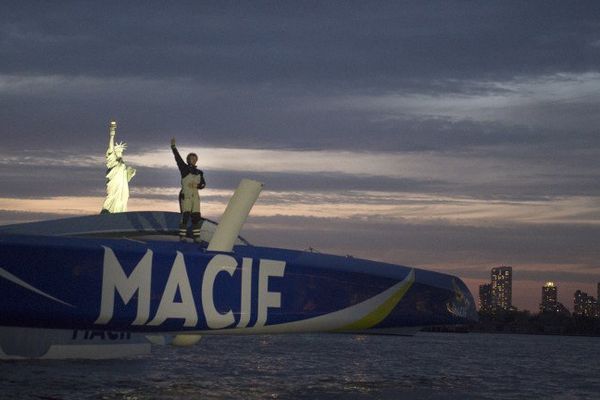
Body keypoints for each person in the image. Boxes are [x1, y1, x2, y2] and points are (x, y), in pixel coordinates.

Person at [170, 137, 206, 242]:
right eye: (192, 158)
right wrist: (173, 147)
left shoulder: (200, 172)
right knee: (185, 215)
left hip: (195, 197)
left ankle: (196, 237)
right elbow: (178, 158)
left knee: (196, 216)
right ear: (188, 160)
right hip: (185, 195)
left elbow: (203, 184)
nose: (194, 160)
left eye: (195, 159)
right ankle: (182, 236)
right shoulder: (184, 169)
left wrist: (197, 186)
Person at [101, 121, 136, 213]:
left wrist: (129, 173)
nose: (120, 153)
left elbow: (125, 178)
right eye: (118, 151)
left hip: (122, 187)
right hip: (114, 185)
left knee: (123, 198)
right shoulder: (113, 161)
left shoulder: (122, 164)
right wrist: (112, 135)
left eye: (121, 151)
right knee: (112, 197)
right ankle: (108, 211)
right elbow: (111, 148)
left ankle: (120, 213)